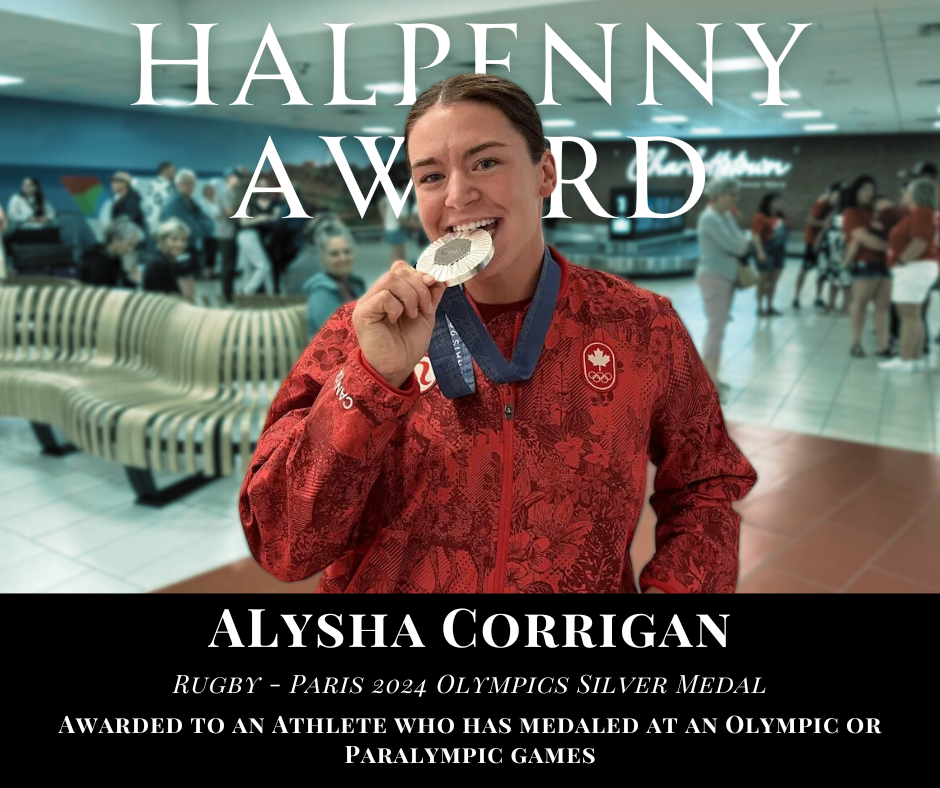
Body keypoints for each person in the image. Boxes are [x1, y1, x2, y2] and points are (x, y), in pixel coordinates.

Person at [239, 73, 756, 594]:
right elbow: (283, 546)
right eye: (431, 177)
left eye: (486, 162)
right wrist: (373, 379)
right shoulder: (357, 334)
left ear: (544, 174)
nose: (459, 196)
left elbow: (705, 485)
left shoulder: (640, 326)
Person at [696, 177, 750, 399]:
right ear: (719, 194)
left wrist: (741, 241)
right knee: (715, 330)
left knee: (719, 329)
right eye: (731, 194)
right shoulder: (709, 219)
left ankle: (713, 377)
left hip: (727, 278)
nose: (734, 199)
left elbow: (739, 240)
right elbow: (736, 245)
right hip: (713, 277)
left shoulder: (725, 216)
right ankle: (709, 385)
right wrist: (742, 243)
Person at [880, 178, 940, 372]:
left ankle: (905, 360)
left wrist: (901, 262)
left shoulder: (922, 212)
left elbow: (919, 242)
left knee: (908, 315)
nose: (903, 194)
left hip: (914, 267)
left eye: (907, 191)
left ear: (916, 194)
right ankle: (914, 358)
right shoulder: (922, 213)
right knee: (914, 315)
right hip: (921, 267)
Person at [843, 175, 892, 358]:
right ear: (856, 191)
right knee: (860, 305)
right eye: (865, 189)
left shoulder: (876, 212)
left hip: (885, 263)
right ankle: (856, 343)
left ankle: (883, 345)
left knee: (883, 306)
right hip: (865, 263)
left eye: (871, 190)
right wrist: (893, 248)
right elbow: (863, 238)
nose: (869, 193)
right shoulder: (851, 212)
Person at [303, 219, 366, 340]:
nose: (343, 258)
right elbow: (334, 336)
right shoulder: (321, 292)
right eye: (334, 254)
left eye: (347, 252)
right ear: (323, 258)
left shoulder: (356, 284)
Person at [160, 169, 215, 277]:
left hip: (192, 247)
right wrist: (201, 227)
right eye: (185, 183)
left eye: (192, 184)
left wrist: (201, 227)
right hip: (178, 248)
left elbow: (210, 224)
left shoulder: (193, 202)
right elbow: (188, 228)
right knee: (183, 280)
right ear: (177, 185)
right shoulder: (174, 203)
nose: (189, 187)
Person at [794, 183, 840, 310]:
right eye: (836, 196)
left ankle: (818, 297)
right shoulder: (822, 203)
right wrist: (825, 224)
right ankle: (796, 297)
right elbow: (810, 219)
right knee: (805, 268)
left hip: (825, 244)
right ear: (830, 194)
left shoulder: (837, 206)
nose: (838, 199)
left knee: (821, 270)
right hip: (812, 242)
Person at [236, 177, 279, 295]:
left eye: (265, 186)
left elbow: (276, 217)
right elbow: (243, 222)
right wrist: (260, 218)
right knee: (264, 266)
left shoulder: (274, 203)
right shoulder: (249, 202)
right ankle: (247, 291)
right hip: (248, 236)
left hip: (261, 239)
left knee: (250, 268)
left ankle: (269, 295)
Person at [751, 192, 790, 316]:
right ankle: (760, 306)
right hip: (766, 249)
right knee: (763, 279)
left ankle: (769, 306)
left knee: (773, 280)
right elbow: (756, 235)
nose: (779, 203)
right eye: (776, 201)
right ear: (769, 202)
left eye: (780, 201)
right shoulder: (760, 217)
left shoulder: (782, 217)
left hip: (779, 250)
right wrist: (760, 252)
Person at [78, 218, 144, 287]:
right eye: (129, 244)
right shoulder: (95, 262)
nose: (131, 250)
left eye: (134, 246)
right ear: (115, 239)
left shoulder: (116, 260)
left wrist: (130, 277)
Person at [217, 166, 247, 303]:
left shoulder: (234, 194)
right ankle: (226, 295)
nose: (239, 181)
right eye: (237, 177)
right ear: (229, 178)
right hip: (226, 235)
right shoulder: (225, 194)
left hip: (233, 234)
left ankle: (230, 293)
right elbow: (230, 213)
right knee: (227, 265)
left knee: (232, 265)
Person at [143, 218, 190, 297]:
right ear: (162, 241)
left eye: (183, 240)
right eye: (174, 239)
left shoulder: (169, 260)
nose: (180, 244)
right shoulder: (159, 263)